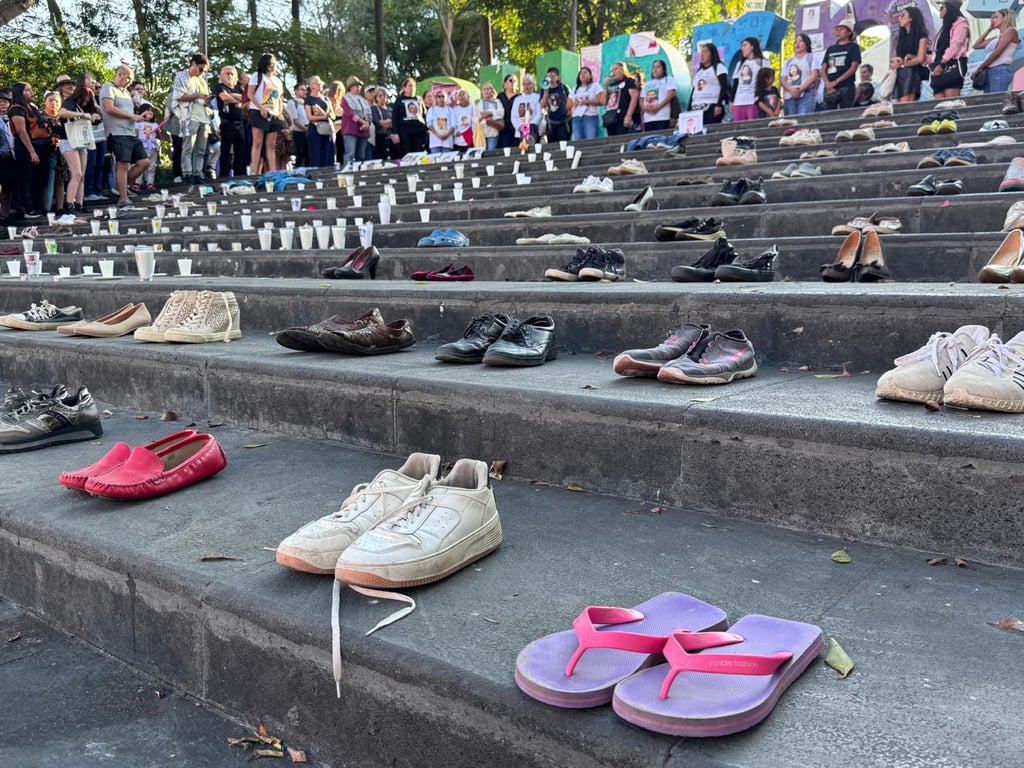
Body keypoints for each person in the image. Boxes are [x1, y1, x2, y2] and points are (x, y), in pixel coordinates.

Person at [99, 65, 152, 209]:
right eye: (128, 77)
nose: (129, 81)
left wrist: (140, 116)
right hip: (116, 132)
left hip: (130, 132)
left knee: (144, 162)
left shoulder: (127, 93)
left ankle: (120, 186)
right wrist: (132, 116)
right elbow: (109, 108)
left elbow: (130, 112)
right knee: (122, 164)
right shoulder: (108, 87)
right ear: (120, 74)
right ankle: (123, 198)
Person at [57, 76, 103, 213]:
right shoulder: (70, 102)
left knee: (81, 175)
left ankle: (80, 204)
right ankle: (69, 203)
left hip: (82, 141)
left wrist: (95, 115)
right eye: (85, 99)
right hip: (68, 140)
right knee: (76, 173)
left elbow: (97, 117)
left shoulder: (86, 107)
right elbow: (62, 113)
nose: (86, 101)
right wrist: (83, 115)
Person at [8, 82, 51, 218]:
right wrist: (32, 151)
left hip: (43, 146)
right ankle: (28, 208)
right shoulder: (16, 109)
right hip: (28, 147)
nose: (31, 92)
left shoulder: (32, 107)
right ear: (20, 93)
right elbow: (21, 131)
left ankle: (38, 207)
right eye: (27, 90)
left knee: (39, 179)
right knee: (27, 178)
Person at [171, 53, 211, 184]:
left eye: (204, 71)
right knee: (188, 147)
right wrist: (197, 96)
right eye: (200, 69)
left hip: (203, 117)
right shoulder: (182, 76)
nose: (201, 73)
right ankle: (187, 173)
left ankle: (198, 173)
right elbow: (179, 96)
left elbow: (204, 97)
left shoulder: (202, 80)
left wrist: (207, 99)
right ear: (193, 64)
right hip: (189, 116)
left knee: (201, 149)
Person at [247, 52, 286, 173]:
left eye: (274, 64)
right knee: (257, 142)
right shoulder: (257, 76)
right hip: (258, 111)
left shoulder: (278, 81)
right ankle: (254, 170)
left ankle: (273, 171)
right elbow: (250, 94)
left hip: (273, 113)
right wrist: (261, 108)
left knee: (272, 144)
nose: (273, 67)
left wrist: (279, 112)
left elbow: (279, 97)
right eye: (270, 64)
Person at [930, 0, 971, 98]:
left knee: (951, 102)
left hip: (951, 64)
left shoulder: (961, 23)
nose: (940, 9)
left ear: (949, 8)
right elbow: (937, 49)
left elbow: (955, 45)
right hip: (938, 65)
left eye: (942, 7)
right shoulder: (944, 27)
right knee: (939, 104)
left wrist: (942, 64)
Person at [972, 7, 1019, 93]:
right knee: (989, 101)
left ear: (1005, 17)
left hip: (1000, 68)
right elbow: (976, 45)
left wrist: (980, 67)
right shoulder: (997, 36)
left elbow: (997, 52)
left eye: (996, 17)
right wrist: (989, 29)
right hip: (990, 69)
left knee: (996, 99)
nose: (993, 20)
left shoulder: (1011, 31)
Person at [890, 6, 929, 102]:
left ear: (911, 18)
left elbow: (920, 58)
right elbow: (893, 56)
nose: (899, 18)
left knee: (905, 102)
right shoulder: (901, 37)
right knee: (898, 103)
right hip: (900, 73)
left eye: (903, 15)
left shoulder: (921, 35)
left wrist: (903, 64)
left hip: (913, 73)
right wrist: (896, 60)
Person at [213, 66, 247, 177]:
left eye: (232, 74)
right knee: (226, 151)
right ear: (222, 75)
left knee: (240, 151)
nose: (229, 76)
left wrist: (232, 96)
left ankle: (239, 174)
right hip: (227, 122)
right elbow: (224, 98)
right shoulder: (219, 86)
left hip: (240, 122)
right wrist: (237, 100)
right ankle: (224, 175)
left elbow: (245, 100)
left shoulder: (238, 88)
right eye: (227, 73)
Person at [822, 19, 861, 109]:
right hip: (830, 86)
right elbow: (823, 68)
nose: (839, 31)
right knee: (829, 115)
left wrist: (836, 81)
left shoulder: (853, 47)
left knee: (845, 112)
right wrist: (827, 83)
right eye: (838, 29)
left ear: (848, 33)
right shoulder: (831, 49)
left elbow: (853, 67)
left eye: (842, 29)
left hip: (846, 85)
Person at [730, 38, 770, 121]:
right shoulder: (740, 63)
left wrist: (760, 98)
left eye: (745, 45)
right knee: (738, 128)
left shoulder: (763, 62)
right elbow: (736, 83)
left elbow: (766, 82)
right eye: (742, 46)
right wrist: (731, 100)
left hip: (753, 101)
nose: (742, 48)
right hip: (739, 101)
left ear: (752, 46)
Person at [689, 42, 730, 125]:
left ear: (712, 53)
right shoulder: (699, 72)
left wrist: (719, 105)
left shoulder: (719, 67)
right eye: (701, 52)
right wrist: (688, 109)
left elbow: (723, 86)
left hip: (711, 107)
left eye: (705, 52)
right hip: (696, 109)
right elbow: (694, 90)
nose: (702, 55)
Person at [40, 91, 65, 213]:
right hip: (46, 150)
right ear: (45, 101)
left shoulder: (62, 117)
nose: (53, 103)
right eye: (50, 100)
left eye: (56, 101)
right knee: (48, 179)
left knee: (60, 179)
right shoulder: (40, 116)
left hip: (62, 151)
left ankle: (60, 207)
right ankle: (46, 207)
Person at [782, 34, 819, 115]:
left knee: (803, 121)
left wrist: (800, 89)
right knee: (790, 123)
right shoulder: (788, 62)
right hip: (790, 96)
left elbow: (814, 76)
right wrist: (791, 90)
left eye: (800, 41)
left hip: (806, 94)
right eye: (795, 42)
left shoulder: (812, 58)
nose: (797, 44)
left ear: (807, 44)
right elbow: (783, 79)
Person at [390, 77, 426, 158]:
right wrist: (395, 133)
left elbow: (424, 115)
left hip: (419, 131)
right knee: (406, 155)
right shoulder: (399, 100)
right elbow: (395, 117)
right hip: (404, 132)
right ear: (404, 88)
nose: (412, 88)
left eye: (414, 86)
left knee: (419, 154)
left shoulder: (419, 99)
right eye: (410, 86)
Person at [340, 75, 372, 164]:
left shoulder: (363, 100)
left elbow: (369, 114)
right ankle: (348, 173)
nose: (358, 87)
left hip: (363, 131)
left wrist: (367, 123)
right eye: (356, 85)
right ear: (350, 87)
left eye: (359, 85)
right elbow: (349, 113)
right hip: (350, 130)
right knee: (350, 154)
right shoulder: (345, 98)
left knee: (361, 155)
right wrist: (361, 121)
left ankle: (360, 173)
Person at [601, 61, 638, 135]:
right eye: (612, 70)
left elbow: (634, 97)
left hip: (623, 116)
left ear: (622, 70)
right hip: (611, 118)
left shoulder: (629, 81)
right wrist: (605, 87)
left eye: (616, 69)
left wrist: (629, 115)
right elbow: (603, 102)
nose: (613, 72)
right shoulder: (611, 85)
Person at [304, 76, 334, 167]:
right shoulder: (308, 99)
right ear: (311, 86)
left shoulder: (326, 99)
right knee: (316, 154)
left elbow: (333, 114)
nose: (320, 84)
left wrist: (327, 115)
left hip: (327, 129)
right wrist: (323, 116)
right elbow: (309, 116)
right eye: (317, 83)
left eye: (320, 83)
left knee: (328, 155)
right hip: (315, 128)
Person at [641, 59, 677, 132]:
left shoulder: (668, 79)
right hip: (648, 118)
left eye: (658, 67)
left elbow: (671, 94)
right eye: (653, 67)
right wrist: (645, 108)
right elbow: (641, 99)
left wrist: (658, 106)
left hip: (662, 117)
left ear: (663, 69)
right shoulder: (648, 83)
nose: (655, 69)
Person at [568, 67, 601, 139]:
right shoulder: (575, 88)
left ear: (590, 75)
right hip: (576, 116)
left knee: (590, 138)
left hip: (590, 116)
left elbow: (601, 101)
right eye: (580, 73)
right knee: (577, 139)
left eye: (585, 72)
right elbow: (568, 105)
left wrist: (588, 101)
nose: (582, 75)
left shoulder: (595, 86)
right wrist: (575, 103)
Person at [134, 101, 160, 191]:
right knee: (140, 165)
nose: (150, 113)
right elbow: (135, 134)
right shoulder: (138, 123)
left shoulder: (155, 125)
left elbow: (158, 136)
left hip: (152, 147)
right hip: (141, 147)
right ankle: (137, 183)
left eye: (151, 111)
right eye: (147, 111)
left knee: (151, 166)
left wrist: (157, 132)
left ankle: (150, 183)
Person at [540, 67, 570, 142]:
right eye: (549, 76)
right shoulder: (544, 89)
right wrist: (545, 93)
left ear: (557, 77)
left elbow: (569, 100)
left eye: (553, 75)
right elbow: (541, 106)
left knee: (563, 143)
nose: (551, 78)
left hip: (563, 121)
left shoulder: (563, 87)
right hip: (551, 122)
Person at [511, 74, 542, 145]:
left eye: (529, 84)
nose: (526, 86)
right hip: (520, 131)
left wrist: (530, 126)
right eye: (524, 84)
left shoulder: (537, 97)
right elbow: (513, 116)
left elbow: (539, 113)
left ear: (533, 85)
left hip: (533, 131)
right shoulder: (517, 99)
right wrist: (519, 127)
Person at [474, 81, 504, 150]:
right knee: (481, 153)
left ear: (491, 90)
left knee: (491, 152)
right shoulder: (478, 103)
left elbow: (501, 113)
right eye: (484, 89)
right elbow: (474, 117)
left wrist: (490, 113)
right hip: (481, 133)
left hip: (492, 132)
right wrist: (480, 118)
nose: (486, 91)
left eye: (488, 89)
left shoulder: (496, 101)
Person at [286, 82, 309, 167]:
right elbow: (295, 120)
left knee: (308, 155)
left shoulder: (306, 103)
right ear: (296, 91)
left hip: (307, 132)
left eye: (305, 90)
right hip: (298, 132)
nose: (304, 92)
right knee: (300, 155)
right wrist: (306, 130)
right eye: (302, 89)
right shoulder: (292, 102)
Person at [427, 89, 454, 154]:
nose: (441, 98)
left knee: (446, 163)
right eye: (439, 96)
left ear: (446, 98)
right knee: (436, 162)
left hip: (447, 142)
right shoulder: (432, 110)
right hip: (435, 142)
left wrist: (446, 135)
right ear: (436, 99)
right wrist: (438, 135)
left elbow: (454, 125)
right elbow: (429, 124)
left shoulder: (450, 110)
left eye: (443, 96)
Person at [326, 80, 345, 164]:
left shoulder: (341, 104)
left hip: (341, 131)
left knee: (340, 150)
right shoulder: (327, 101)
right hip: (330, 130)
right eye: (336, 90)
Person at [370, 87, 393, 160]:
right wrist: (388, 122)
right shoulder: (374, 108)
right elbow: (378, 122)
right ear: (376, 98)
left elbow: (394, 122)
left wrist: (387, 122)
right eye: (380, 96)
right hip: (380, 137)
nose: (382, 97)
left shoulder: (390, 109)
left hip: (390, 136)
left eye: (384, 95)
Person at [497, 73, 518, 148]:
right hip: (503, 128)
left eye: (515, 81)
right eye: (511, 80)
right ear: (505, 84)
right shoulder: (500, 96)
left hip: (516, 128)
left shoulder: (519, 97)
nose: (513, 83)